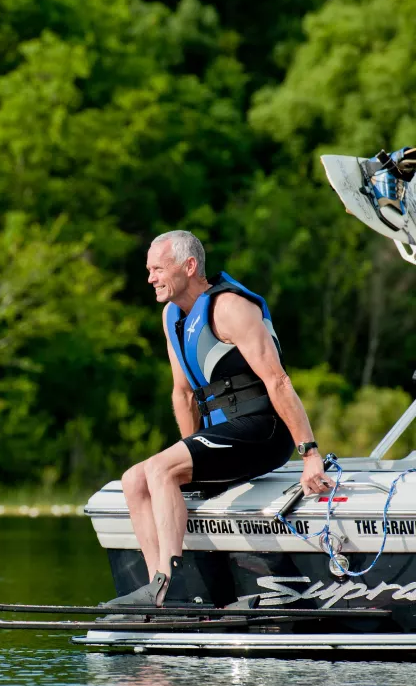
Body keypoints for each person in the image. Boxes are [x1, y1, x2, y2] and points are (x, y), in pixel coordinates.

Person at [108, 230, 334, 608]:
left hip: (264, 429)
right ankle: (156, 592)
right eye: (149, 270)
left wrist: (309, 453)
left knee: (160, 469)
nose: (150, 278)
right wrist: (190, 456)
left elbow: (278, 381)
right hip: (225, 433)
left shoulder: (229, 307)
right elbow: (183, 394)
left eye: (158, 269)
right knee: (134, 479)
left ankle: (165, 585)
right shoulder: (171, 317)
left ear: (189, 266)